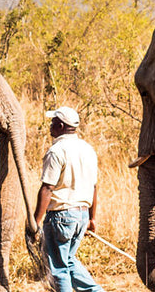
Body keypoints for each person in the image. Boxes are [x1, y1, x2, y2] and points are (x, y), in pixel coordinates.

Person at [33, 106, 103, 292]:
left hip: (61, 216)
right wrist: (91, 218)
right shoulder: (88, 149)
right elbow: (94, 187)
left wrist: (35, 221)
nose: (50, 125)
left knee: (59, 269)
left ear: (61, 125)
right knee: (68, 261)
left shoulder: (57, 151)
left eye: (53, 121)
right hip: (80, 216)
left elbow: (48, 188)